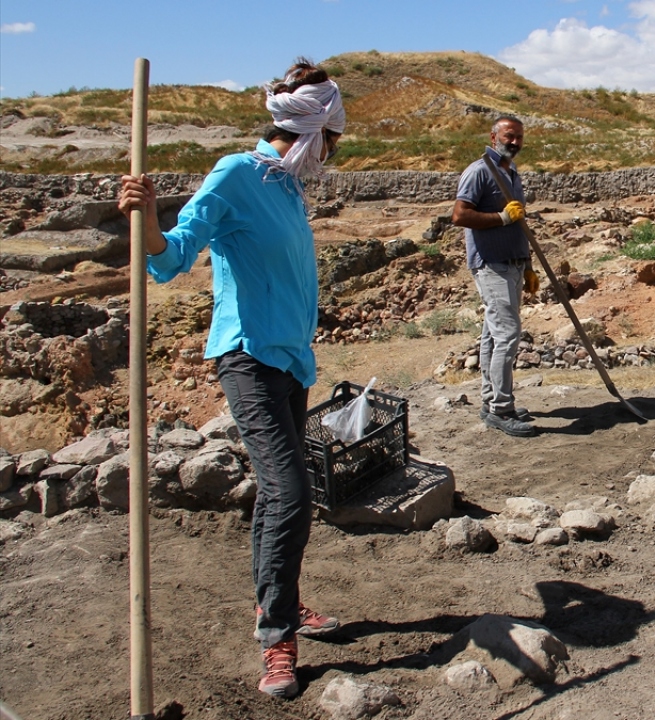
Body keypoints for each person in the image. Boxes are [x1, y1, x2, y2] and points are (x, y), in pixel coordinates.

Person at [117, 58, 344, 699]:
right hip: (248, 358)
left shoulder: (286, 186)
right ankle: (277, 637)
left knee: (279, 495)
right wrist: (148, 218)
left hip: (291, 359)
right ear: (314, 133)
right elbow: (172, 256)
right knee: (292, 493)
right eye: (331, 140)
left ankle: (279, 599)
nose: (331, 153)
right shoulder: (237, 173)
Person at [452, 116, 536, 438]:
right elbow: (459, 215)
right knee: (508, 335)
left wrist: (527, 264)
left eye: (519, 138)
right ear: (493, 137)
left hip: (512, 264)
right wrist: (501, 217)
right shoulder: (479, 171)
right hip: (491, 264)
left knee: (492, 335)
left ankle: (491, 401)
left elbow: (519, 223)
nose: (514, 142)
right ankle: (502, 409)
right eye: (509, 136)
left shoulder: (511, 173)